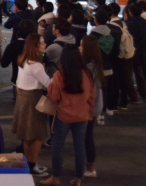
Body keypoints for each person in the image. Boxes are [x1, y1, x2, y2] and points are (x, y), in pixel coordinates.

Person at [40, 46, 94, 186]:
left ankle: (56, 177)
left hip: (63, 115)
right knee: (79, 146)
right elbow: (91, 95)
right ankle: (78, 178)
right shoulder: (86, 74)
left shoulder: (60, 75)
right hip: (82, 115)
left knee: (58, 146)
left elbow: (53, 96)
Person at [12, 33, 50, 177]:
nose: (45, 44)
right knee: (37, 135)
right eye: (42, 43)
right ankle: (33, 164)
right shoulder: (37, 66)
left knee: (26, 135)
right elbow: (48, 84)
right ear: (35, 46)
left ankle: (28, 163)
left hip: (22, 99)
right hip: (33, 100)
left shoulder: (24, 60)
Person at [80, 35, 105, 179]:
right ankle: (88, 165)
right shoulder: (97, 63)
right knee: (88, 135)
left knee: (86, 137)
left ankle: (89, 166)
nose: (79, 48)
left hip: (89, 106)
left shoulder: (88, 67)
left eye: (81, 46)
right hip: (96, 105)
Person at [122, 3, 146, 103]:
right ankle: (144, 94)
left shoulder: (128, 24)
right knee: (139, 72)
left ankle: (133, 97)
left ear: (130, 12)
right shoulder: (145, 22)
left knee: (128, 74)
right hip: (140, 50)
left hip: (130, 51)